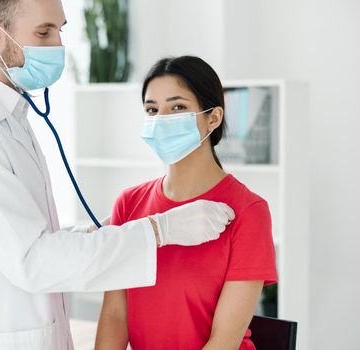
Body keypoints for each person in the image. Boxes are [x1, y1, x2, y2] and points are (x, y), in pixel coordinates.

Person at [0, 1, 235, 349]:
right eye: (43, 32)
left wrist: (96, 234)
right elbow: (32, 260)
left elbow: (27, 238)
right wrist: (160, 230)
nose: (58, 47)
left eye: (60, 30)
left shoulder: (7, 119)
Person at [95, 56, 278, 350]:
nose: (161, 119)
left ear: (213, 118)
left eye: (177, 107)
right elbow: (116, 316)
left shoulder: (248, 211)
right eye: (152, 109)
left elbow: (224, 340)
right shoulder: (128, 204)